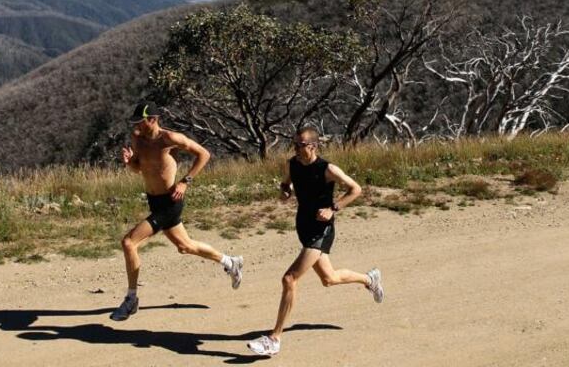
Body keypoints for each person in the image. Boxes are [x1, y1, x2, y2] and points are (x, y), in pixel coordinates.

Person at [247, 126, 384, 356]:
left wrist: (333, 208)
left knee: (289, 279)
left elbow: (355, 189)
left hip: (321, 230)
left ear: (313, 145)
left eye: (300, 145)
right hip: (304, 226)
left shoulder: (327, 169)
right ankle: (369, 279)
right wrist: (285, 192)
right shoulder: (292, 164)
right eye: (294, 144)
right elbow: (286, 183)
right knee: (329, 279)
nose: (296, 148)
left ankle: (274, 339)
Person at [111, 101, 244, 321]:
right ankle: (231, 262)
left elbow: (204, 154)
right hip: (154, 201)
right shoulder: (137, 139)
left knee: (128, 242)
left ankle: (131, 299)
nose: (137, 126)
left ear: (152, 119)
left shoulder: (169, 139)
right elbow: (138, 168)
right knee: (185, 246)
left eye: (141, 121)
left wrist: (185, 181)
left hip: (171, 201)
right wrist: (128, 163)